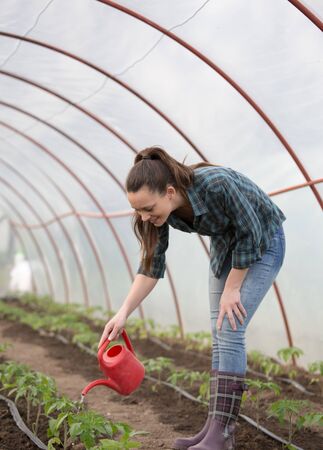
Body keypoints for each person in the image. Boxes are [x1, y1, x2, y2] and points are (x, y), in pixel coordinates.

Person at [98, 146, 286, 450]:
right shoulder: (157, 215)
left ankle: (222, 434)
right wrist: (123, 313)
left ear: (170, 192)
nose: (145, 217)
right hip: (227, 246)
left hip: (264, 242)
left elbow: (251, 233)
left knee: (230, 328)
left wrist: (233, 288)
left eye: (149, 208)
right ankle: (214, 429)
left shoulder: (216, 183)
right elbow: (150, 268)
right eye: (139, 211)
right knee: (219, 332)